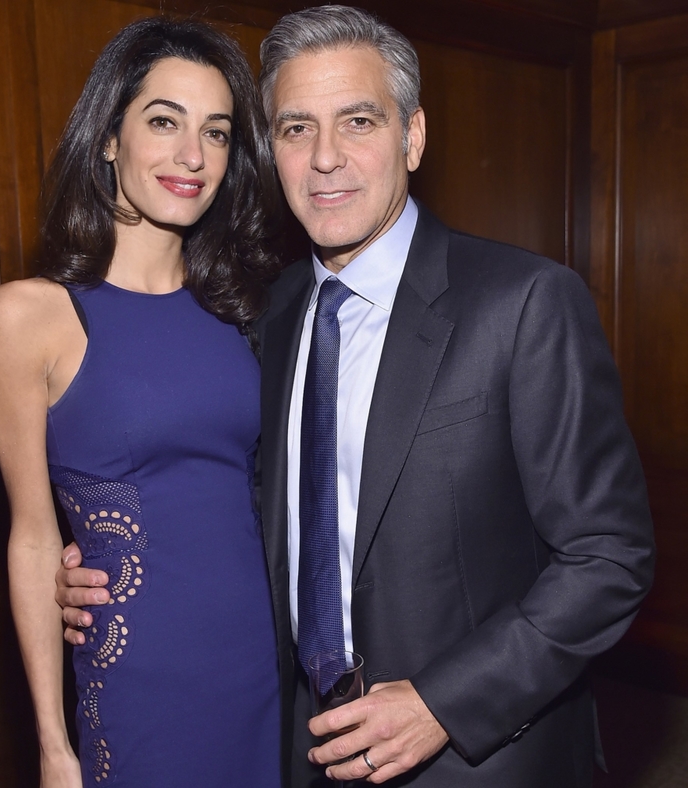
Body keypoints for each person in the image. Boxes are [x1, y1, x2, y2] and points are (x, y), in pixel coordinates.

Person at [56, 6, 656, 787]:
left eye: (359, 121)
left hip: (478, 760)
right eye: (297, 128)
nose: (326, 159)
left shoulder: (525, 303)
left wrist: (443, 703)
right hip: (296, 747)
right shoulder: (259, 319)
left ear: (412, 137)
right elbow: (225, 497)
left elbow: (610, 555)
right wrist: (93, 556)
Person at [0, 16, 283, 788]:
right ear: (109, 139)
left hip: (264, 666)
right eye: (162, 122)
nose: (192, 156)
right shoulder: (28, 316)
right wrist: (52, 746)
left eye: (216, 134)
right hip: (139, 680)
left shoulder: (250, 311)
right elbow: (32, 538)